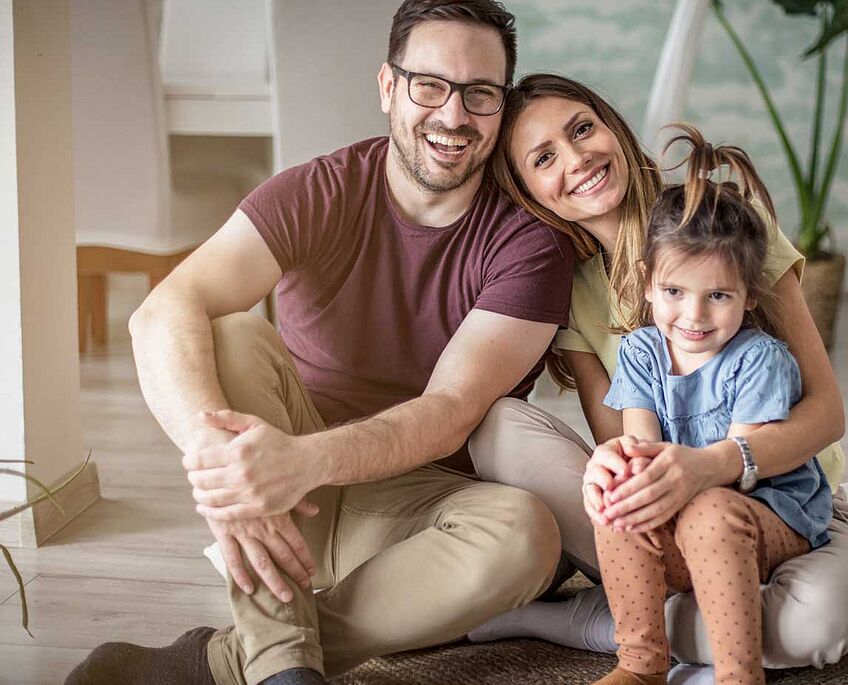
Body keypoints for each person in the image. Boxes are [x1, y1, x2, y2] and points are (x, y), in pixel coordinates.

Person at [65, 3, 576, 685]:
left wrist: (303, 460)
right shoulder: (322, 189)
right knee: (228, 333)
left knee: (529, 533)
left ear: (501, 106)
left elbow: (450, 408)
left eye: (479, 94)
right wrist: (227, 470)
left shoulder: (529, 243)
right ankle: (285, 669)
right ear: (389, 87)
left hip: (414, 520)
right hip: (284, 509)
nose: (454, 117)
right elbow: (161, 312)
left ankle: (227, 657)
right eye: (429, 85)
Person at [466, 75, 848, 679]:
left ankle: (593, 621)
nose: (577, 159)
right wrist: (616, 471)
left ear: (613, 127)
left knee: (815, 625)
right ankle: (659, 627)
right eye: (545, 157)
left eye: (583, 129)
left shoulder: (723, 226)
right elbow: (622, 442)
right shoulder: (567, 286)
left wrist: (708, 468)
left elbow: (826, 413)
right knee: (498, 427)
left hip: (772, 499)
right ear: (527, 190)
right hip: (662, 511)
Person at [589, 125, 833, 685]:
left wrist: (673, 490)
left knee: (709, 511)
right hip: (688, 510)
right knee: (618, 504)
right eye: (675, 292)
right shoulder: (642, 351)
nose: (694, 316)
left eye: (718, 296)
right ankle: (641, 664)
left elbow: (741, 473)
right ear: (649, 285)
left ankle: (738, 676)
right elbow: (641, 448)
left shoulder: (759, 359)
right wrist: (623, 482)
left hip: (766, 511)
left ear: (748, 296)